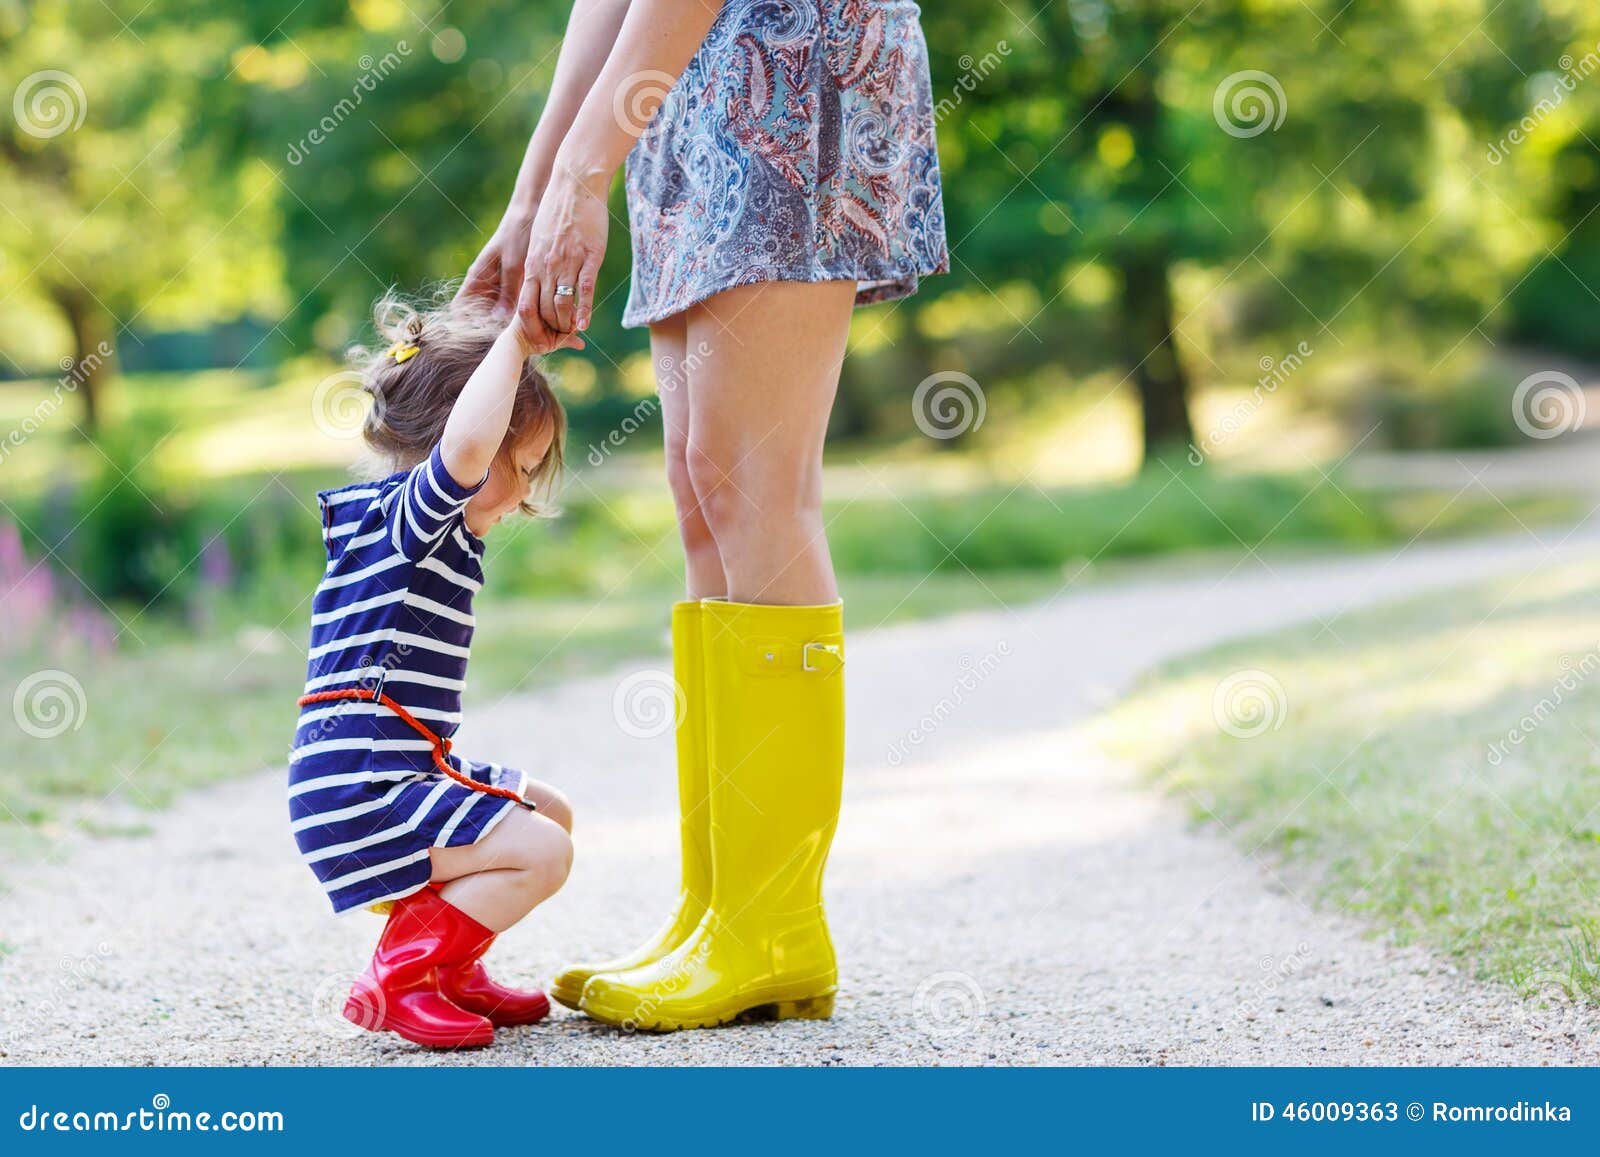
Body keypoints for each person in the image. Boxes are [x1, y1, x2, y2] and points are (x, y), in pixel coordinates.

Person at [460, 0, 949, 1031]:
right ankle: (718, 910)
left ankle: (773, 924)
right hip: (686, 82)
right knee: (705, 489)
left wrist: (583, 174)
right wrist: (535, 188)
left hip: (790, 58)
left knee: (758, 484)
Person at [287, 294, 575, 1049]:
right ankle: (400, 977)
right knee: (544, 848)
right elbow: (470, 448)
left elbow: (476, 448)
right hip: (363, 789)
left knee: (552, 812)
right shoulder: (415, 519)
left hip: (383, 775)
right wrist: (514, 342)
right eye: (523, 464)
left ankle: (449, 968)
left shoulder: (397, 523)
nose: (524, 490)